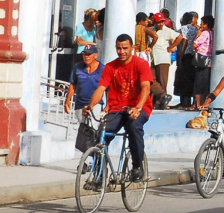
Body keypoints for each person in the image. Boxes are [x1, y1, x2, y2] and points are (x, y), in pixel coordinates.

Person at [85, 34, 153, 182]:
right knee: (102, 133)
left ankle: (137, 166)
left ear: (132, 48)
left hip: (138, 108)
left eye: (125, 48)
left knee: (134, 127)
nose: (121, 51)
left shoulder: (141, 64)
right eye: (118, 48)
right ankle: (100, 175)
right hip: (117, 109)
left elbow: (146, 88)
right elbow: (101, 88)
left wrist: (138, 108)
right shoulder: (110, 66)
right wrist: (90, 106)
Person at [64, 45, 104, 122]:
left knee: (92, 128)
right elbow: (72, 85)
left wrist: (108, 106)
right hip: (80, 104)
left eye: (89, 54)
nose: (86, 57)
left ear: (95, 55)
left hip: (96, 105)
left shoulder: (103, 69)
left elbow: (108, 88)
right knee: (83, 128)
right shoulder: (77, 67)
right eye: (84, 54)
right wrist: (67, 100)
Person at [150, 14, 181, 108]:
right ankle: (163, 96)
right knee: (150, 79)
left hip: (163, 57)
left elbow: (179, 37)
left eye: (162, 21)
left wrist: (171, 46)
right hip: (152, 58)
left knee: (162, 81)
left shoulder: (167, 30)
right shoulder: (151, 30)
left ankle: (160, 103)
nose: (161, 23)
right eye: (159, 21)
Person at [193, 15, 214, 110]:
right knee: (206, 84)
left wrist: (198, 33)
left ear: (206, 24)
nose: (200, 24)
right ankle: (204, 103)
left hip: (202, 60)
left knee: (198, 84)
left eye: (202, 23)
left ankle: (198, 104)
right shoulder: (213, 33)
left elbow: (195, 43)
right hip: (210, 62)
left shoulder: (205, 33)